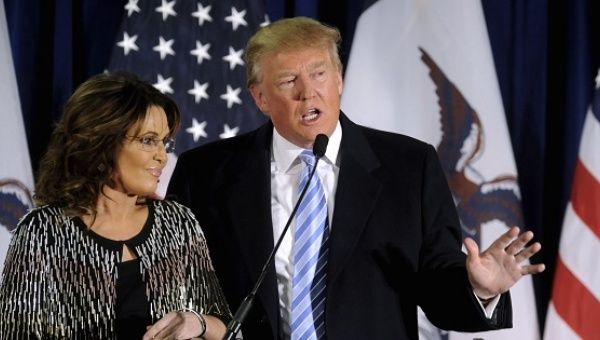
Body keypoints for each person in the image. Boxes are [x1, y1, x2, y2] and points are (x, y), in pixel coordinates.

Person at [167, 17, 545, 340]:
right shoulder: (206, 174)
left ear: (339, 79)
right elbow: (177, 283)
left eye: (319, 73)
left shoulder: (409, 167)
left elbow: (436, 288)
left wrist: (478, 288)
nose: (307, 92)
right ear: (261, 97)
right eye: (287, 81)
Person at [0, 72, 231, 339]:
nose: (162, 156)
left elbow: (227, 326)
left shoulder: (177, 222)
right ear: (102, 144)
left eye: (164, 142)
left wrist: (197, 322)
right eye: (148, 140)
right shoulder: (44, 231)